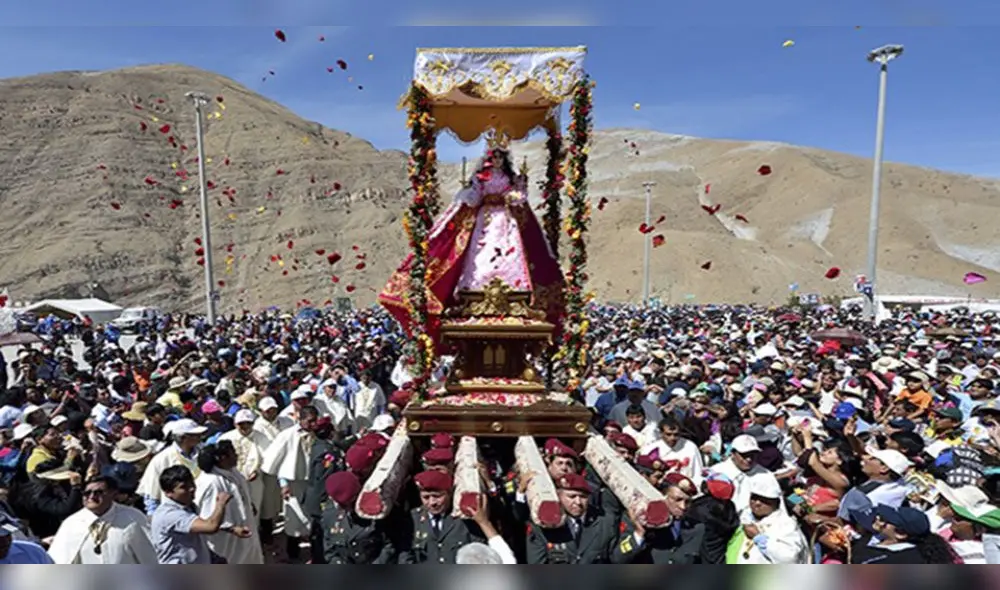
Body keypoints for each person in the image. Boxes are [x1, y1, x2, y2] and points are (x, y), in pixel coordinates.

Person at [378, 135, 565, 350]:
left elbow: (518, 196)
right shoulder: (481, 177)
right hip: (484, 220)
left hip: (504, 220)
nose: (496, 161)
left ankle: (514, 289)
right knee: (480, 254)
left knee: (508, 253)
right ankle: (475, 289)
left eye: (500, 157)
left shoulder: (510, 177)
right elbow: (474, 197)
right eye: (493, 157)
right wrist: (470, 194)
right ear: (488, 158)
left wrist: (517, 192)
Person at [150, 465, 251, 564]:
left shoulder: (187, 506)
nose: (191, 489)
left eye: (191, 483)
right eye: (183, 487)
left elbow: (200, 527)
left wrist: (231, 529)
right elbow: (210, 526)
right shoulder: (170, 514)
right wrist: (220, 503)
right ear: (168, 493)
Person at [48, 475, 158, 564]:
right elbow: (58, 561)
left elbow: (150, 557)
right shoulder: (72, 523)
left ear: (113, 494)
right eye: (87, 493)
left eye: (98, 492)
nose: (91, 496)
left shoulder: (133, 517)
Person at [260, 404, 318, 561]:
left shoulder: (318, 434)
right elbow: (277, 461)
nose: (313, 425)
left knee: (313, 518)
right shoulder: (287, 435)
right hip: (293, 484)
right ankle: (293, 555)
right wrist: (283, 483)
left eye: (315, 421)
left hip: (313, 483)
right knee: (294, 520)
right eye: (309, 421)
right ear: (300, 419)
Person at [194, 442, 262, 564]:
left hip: (244, 531)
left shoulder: (233, 472)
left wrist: (249, 504)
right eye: (233, 454)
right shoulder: (211, 482)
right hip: (225, 540)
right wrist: (232, 529)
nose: (236, 456)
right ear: (222, 458)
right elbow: (208, 517)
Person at [398, 470, 485, 564]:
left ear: (449, 493)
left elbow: (479, 553)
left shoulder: (463, 519)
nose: (432, 503)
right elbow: (405, 557)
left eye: (437, 496)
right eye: (426, 497)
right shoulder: (413, 519)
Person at [321, 471, 395, 564]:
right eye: (342, 505)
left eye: (349, 503)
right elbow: (330, 550)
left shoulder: (375, 512)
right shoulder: (330, 515)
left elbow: (389, 546)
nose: (346, 508)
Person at [136, 418, 207, 514]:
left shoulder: (204, 452)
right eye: (195, 435)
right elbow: (152, 494)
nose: (200, 437)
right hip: (177, 512)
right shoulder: (162, 459)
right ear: (183, 438)